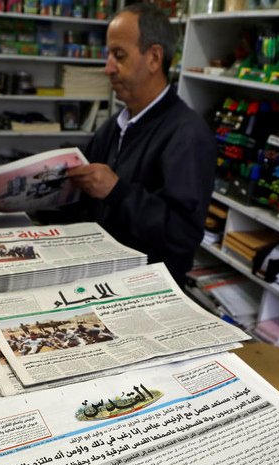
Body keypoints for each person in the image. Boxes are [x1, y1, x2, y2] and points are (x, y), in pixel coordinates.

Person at [54, 3, 216, 283]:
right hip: (100, 270)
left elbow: (183, 235)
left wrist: (117, 191)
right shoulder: (115, 125)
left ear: (154, 58)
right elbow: (89, 203)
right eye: (108, 56)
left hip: (145, 287)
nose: (108, 68)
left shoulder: (188, 135)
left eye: (119, 56)